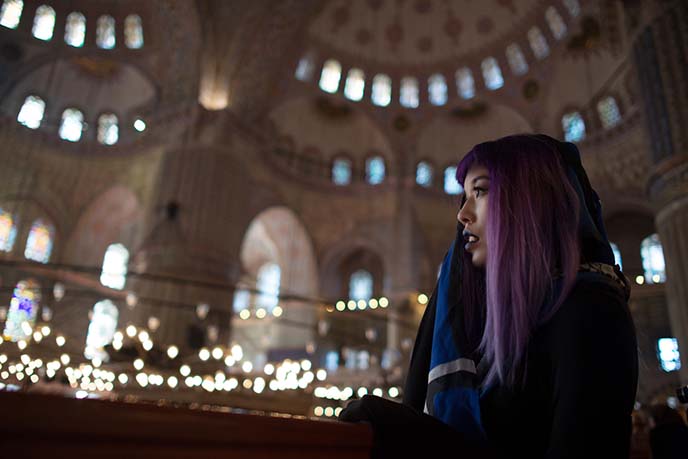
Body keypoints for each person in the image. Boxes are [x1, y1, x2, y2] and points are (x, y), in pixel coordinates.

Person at [339, 134, 639, 458]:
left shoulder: (590, 311)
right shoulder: (502, 319)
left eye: (480, 191)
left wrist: (410, 432)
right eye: (465, 196)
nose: (462, 214)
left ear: (531, 199)